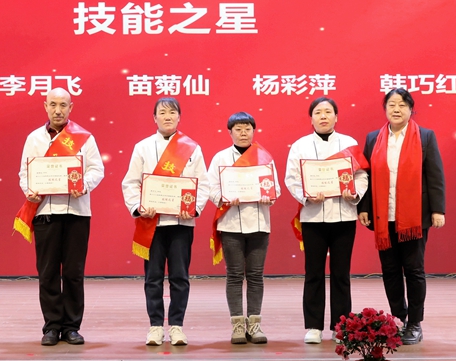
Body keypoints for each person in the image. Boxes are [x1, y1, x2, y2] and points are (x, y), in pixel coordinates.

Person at [14, 88, 104, 346]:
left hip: (77, 212)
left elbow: (97, 169)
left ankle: (72, 327)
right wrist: (29, 191)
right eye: (52, 104)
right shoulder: (34, 138)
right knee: (48, 272)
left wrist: (84, 185)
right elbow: (24, 173)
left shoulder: (84, 138)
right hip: (45, 212)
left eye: (63, 105)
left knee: (74, 272)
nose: (57, 110)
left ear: (71, 107)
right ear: (45, 106)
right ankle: (52, 327)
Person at [358, 88, 446, 345]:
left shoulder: (425, 136)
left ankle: (415, 323)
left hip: (414, 217)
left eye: (402, 105)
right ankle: (398, 319)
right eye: (391, 105)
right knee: (390, 270)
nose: (396, 109)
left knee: (414, 270)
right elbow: (366, 177)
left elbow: (435, 175)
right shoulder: (373, 138)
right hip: (384, 215)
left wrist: (438, 210)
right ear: (385, 109)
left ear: (411, 109)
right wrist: (363, 207)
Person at [122, 97, 209, 346]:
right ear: (154, 118)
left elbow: (203, 185)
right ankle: (155, 326)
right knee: (153, 277)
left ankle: (177, 326)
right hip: (152, 223)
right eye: (162, 112)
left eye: (172, 112)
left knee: (180, 277)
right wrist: (139, 207)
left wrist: (193, 208)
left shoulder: (192, 148)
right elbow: (130, 182)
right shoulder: (142, 147)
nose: (167, 116)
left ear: (179, 117)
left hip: (181, 223)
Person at [285, 97, 369, 345]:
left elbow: (361, 175)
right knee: (313, 273)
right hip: (313, 217)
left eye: (328, 112)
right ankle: (313, 326)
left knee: (341, 273)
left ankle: (341, 326)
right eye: (318, 112)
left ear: (336, 117)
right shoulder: (300, 146)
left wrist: (354, 193)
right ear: (311, 118)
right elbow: (292, 179)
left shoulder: (349, 143)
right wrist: (306, 195)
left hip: (344, 216)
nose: (323, 116)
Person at [207, 112, 280, 344]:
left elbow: (275, 188)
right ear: (230, 132)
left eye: (247, 128)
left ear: (253, 131)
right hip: (230, 224)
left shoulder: (264, 157)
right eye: (238, 129)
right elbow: (211, 188)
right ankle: (238, 325)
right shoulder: (220, 158)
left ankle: (255, 324)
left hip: (259, 224)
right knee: (235, 275)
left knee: (256, 275)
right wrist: (224, 197)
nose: (243, 133)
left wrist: (269, 197)